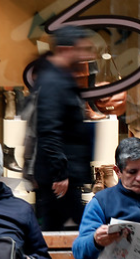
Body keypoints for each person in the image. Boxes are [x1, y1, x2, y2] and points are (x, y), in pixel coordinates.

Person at [30, 26, 95, 231]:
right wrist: (60, 173)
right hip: (59, 178)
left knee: (66, 229)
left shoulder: (62, 78)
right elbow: (49, 130)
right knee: (65, 230)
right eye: (81, 50)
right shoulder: (52, 82)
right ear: (66, 50)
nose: (85, 56)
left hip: (66, 175)